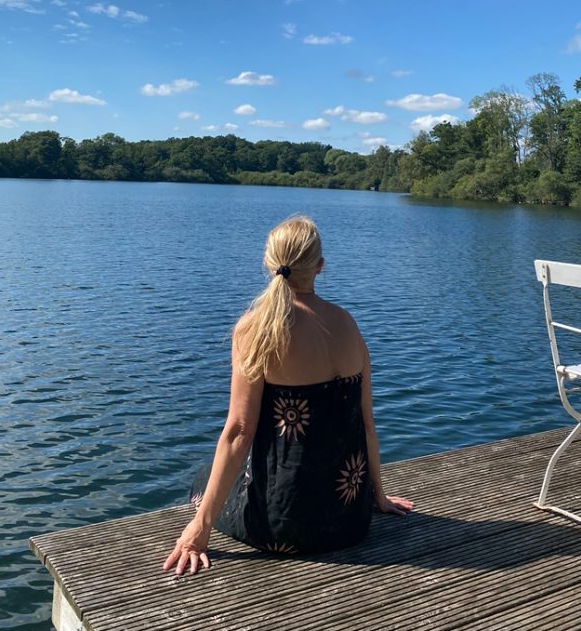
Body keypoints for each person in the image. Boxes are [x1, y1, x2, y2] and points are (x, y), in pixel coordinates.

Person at [163, 215, 412, 576]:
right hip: (349, 520)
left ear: (268, 264)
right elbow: (367, 424)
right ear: (320, 266)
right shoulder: (348, 324)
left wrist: (198, 532)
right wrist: (378, 497)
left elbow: (239, 432)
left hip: (281, 525)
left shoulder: (256, 330)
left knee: (203, 476)